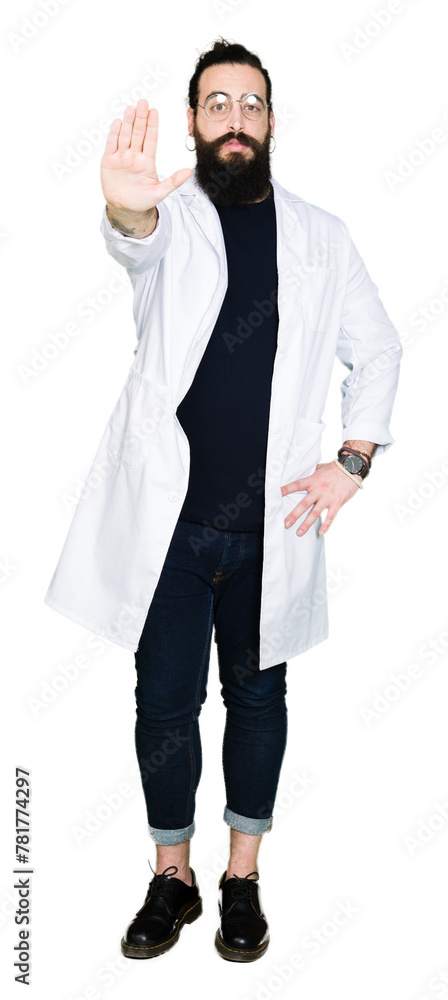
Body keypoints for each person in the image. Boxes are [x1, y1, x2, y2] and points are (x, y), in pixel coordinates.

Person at [44, 39, 402, 962]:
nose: (234, 119)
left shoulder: (323, 236)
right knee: (163, 705)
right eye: (217, 104)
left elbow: (378, 349)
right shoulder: (171, 216)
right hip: (167, 531)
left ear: (271, 121)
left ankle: (242, 879)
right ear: (195, 122)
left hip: (270, 527)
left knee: (258, 697)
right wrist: (124, 203)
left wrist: (351, 462)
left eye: (250, 104)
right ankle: (175, 877)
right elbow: (134, 237)